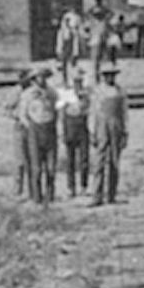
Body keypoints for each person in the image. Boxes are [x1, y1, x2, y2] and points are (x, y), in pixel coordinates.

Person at [89, 63, 128, 206]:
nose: (109, 77)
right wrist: (92, 131)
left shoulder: (120, 91)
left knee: (114, 160)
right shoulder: (98, 91)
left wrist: (125, 132)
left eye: (112, 75)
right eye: (107, 75)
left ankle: (111, 195)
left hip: (116, 127)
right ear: (103, 76)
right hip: (102, 126)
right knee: (99, 161)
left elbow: (125, 113)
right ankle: (96, 196)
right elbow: (93, 112)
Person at [18, 67, 58, 205]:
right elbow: (22, 115)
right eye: (39, 77)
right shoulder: (27, 94)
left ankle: (50, 195)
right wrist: (31, 127)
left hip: (49, 128)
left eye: (44, 77)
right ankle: (37, 197)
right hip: (35, 129)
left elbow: (56, 108)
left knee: (51, 167)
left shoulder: (52, 92)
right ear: (34, 80)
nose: (42, 80)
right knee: (37, 168)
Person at [58, 69, 91, 197]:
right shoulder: (67, 94)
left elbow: (89, 110)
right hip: (70, 125)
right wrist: (63, 131)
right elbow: (61, 112)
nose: (78, 84)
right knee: (70, 160)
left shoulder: (86, 94)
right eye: (76, 81)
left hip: (82, 126)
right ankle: (71, 187)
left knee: (84, 159)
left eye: (80, 81)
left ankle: (84, 186)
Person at [5, 70, 32, 198]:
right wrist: (19, 116)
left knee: (33, 159)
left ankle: (32, 190)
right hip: (20, 127)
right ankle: (18, 188)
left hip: (33, 127)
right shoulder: (17, 92)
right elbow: (8, 109)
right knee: (20, 160)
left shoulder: (34, 91)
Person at [54, 9, 83, 85]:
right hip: (64, 50)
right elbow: (59, 41)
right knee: (63, 67)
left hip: (71, 49)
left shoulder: (73, 32)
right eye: (66, 21)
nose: (67, 22)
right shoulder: (61, 31)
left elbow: (75, 42)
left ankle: (75, 82)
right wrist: (59, 50)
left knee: (73, 66)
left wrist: (75, 52)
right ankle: (65, 81)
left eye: (68, 21)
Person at [86, 0, 111, 74]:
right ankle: (96, 64)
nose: (98, 2)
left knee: (102, 43)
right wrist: (92, 18)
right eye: (97, 1)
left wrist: (106, 18)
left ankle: (102, 59)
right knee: (96, 46)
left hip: (101, 28)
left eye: (99, 0)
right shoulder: (94, 8)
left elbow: (111, 13)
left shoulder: (103, 8)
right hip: (96, 28)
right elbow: (88, 13)